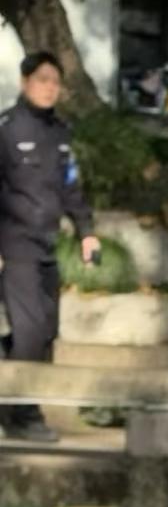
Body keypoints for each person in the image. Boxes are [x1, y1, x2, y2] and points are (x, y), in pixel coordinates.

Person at [0, 51, 100, 443]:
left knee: (47, 331)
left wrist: (86, 231)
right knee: (29, 331)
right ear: (25, 82)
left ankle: (9, 384)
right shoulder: (7, 129)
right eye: (42, 80)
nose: (49, 88)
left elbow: (71, 187)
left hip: (47, 246)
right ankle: (23, 414)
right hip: (15, 246)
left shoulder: (60, 132)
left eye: (55, 82)